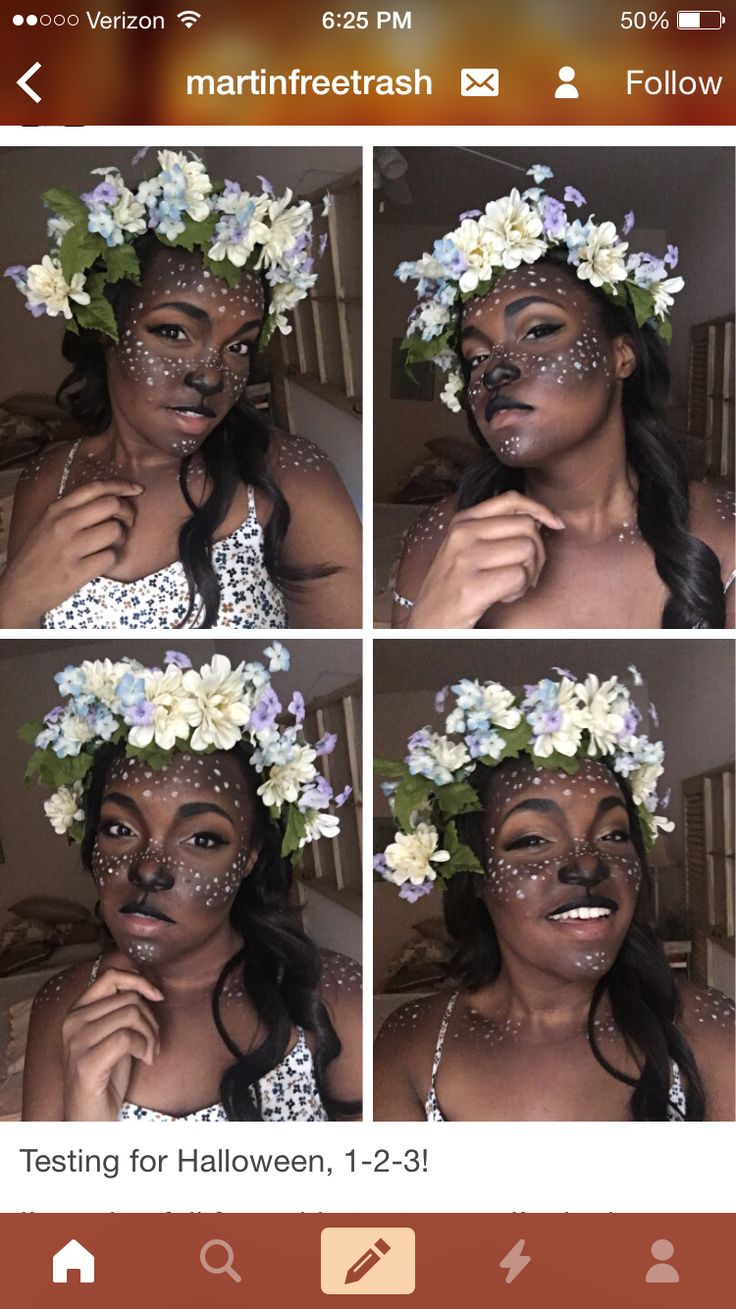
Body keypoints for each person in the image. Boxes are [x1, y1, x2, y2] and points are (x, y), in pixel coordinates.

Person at [1, 151, 361, 629]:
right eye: (173, 332)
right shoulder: (48, 478)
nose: (212, 377)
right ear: (105, 330)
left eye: (238, 346)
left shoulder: (291, 476)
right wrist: (15, 598)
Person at [374, 670, 735, 1121]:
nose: (587, 864)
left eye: (614, 834)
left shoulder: (706, 1028)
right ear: (476, 876)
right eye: (531, 841)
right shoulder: (413, 1043)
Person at [21, 647, 361, 1121]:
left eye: (201, 838)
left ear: (249, 858)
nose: (148, 869)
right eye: (120, 829)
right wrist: (87, 1123)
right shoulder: (60, 1003)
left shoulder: (334, 995)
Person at [390, 164, 734, 629]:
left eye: (539, 330)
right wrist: (433, 623)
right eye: (475, 358)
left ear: (622, 356)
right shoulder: (440, 536)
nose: (495, 370)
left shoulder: (722, 527)